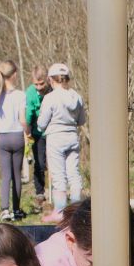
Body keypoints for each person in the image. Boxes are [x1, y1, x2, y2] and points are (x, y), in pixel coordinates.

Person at [37, 63, 86, 223]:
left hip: (55, 138)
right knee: (74, 174)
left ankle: (59, 211)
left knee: (58, 176)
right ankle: (76, 209)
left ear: (51, 80)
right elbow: (82, 120)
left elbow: (41, 123)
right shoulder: (76, 97)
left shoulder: (50, 98)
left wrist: (40, 126)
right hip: (72, 136)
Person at [0, 60, 29, 222]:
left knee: (6, 175)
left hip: (2, 138)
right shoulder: (21, 95)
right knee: (17, 175)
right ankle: (16, 209)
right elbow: (23, 120)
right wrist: (28, 135)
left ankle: (5, 210)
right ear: (14, 75)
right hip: (17, 137)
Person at [25, 65, 52, 205]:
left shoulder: (53, 90)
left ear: (47, 80)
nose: (39, 87)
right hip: (37, 132)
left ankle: (56, 191)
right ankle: (40, 192)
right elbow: (28, 114)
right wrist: (27, 132)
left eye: (41, 84)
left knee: (53, 162)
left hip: (52, 131)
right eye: (36, 84)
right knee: (40, 162)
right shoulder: (30, 92)